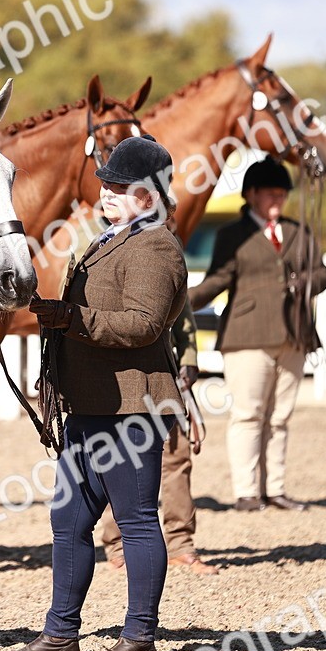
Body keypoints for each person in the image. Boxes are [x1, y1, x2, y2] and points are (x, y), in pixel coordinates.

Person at [0, 135, 187, 651]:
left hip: (130, 408)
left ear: (148, 195)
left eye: (119, 186)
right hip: (90, 406)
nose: (106, 191)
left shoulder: (155, 247)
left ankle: (140, 639)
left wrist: (71, 320)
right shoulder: (109, 239)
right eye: (105, 182)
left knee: (137, 522)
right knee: (69, 521)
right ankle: (60, 635)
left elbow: (144, 325)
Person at [188, 155, 326, 512]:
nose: (277, 200)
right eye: (270, 194)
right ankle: (247, 491)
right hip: (247, 335)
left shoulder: (300, 231)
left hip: (293, 334)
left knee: (280, 417)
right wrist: (179, 301)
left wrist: (304, 281)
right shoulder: (232, 235)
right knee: (248, 414)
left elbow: (322, 275)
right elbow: (219, 280)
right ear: (250, 194)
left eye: (282, 194)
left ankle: (276, 488)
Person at [100, 215, 219, 575]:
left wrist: (190, 360)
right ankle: (117, 544)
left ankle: (181, 543)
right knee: (119, 461)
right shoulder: (104, 249)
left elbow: (183, 320)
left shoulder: (167, 250)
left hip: (166, 376)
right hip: (122, 378)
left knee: (177, 458)